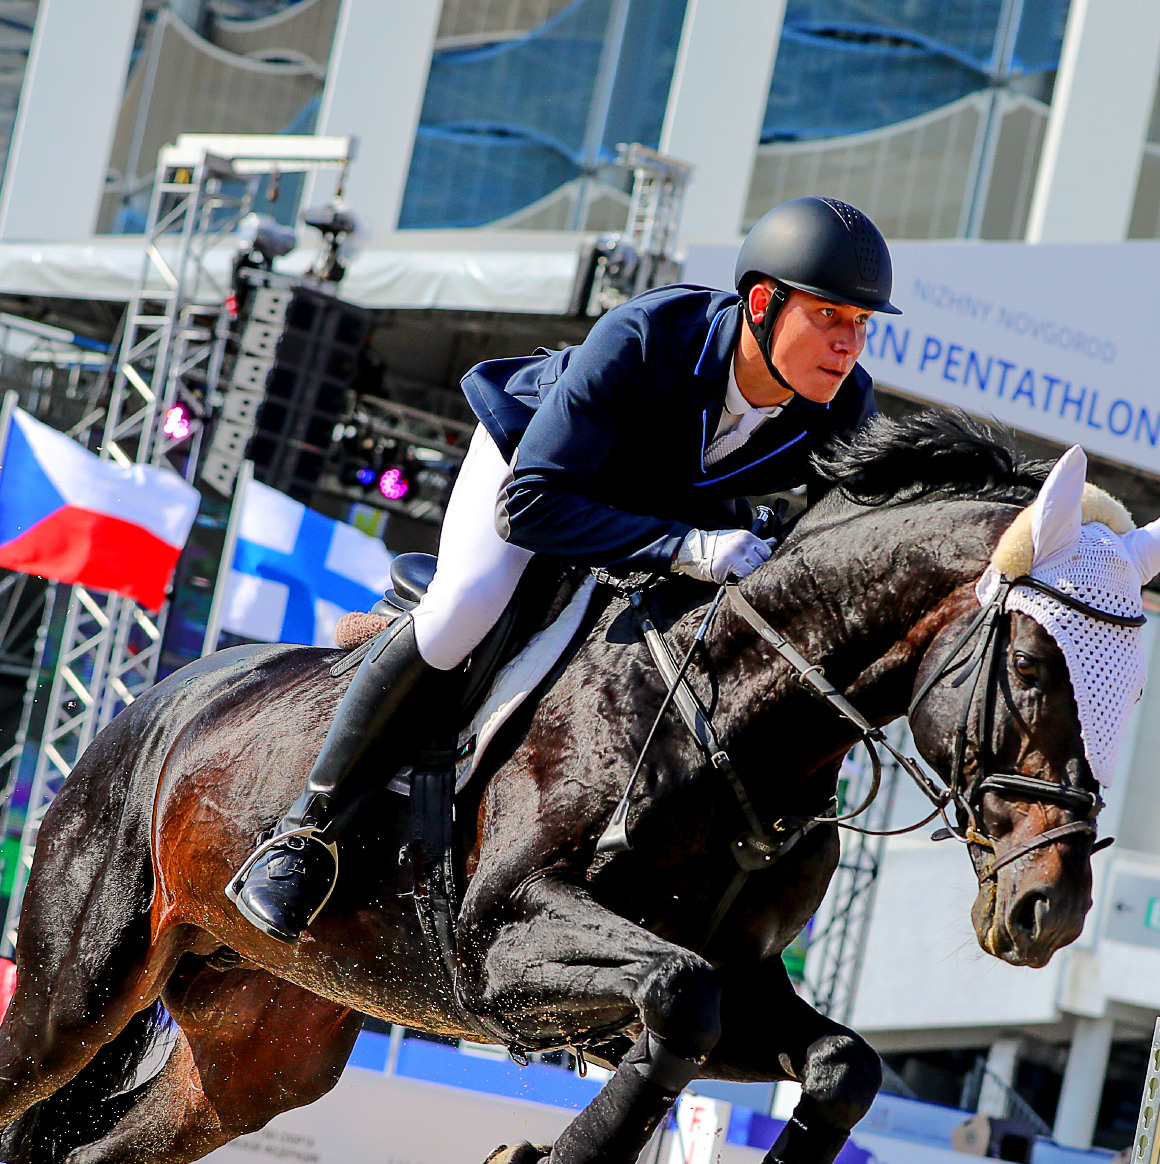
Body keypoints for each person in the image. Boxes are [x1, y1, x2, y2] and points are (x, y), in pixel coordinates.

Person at [227, 196, 898, 941]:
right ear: (764, 305)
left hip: (659, 505)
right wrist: (691, 547)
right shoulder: (649, 335)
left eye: (862, 324)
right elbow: (530, 508)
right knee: (463, 607)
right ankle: (304, 833)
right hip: (538, 472)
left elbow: (860, 536)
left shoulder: (845, 407)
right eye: (829, 316)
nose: (849, 344)